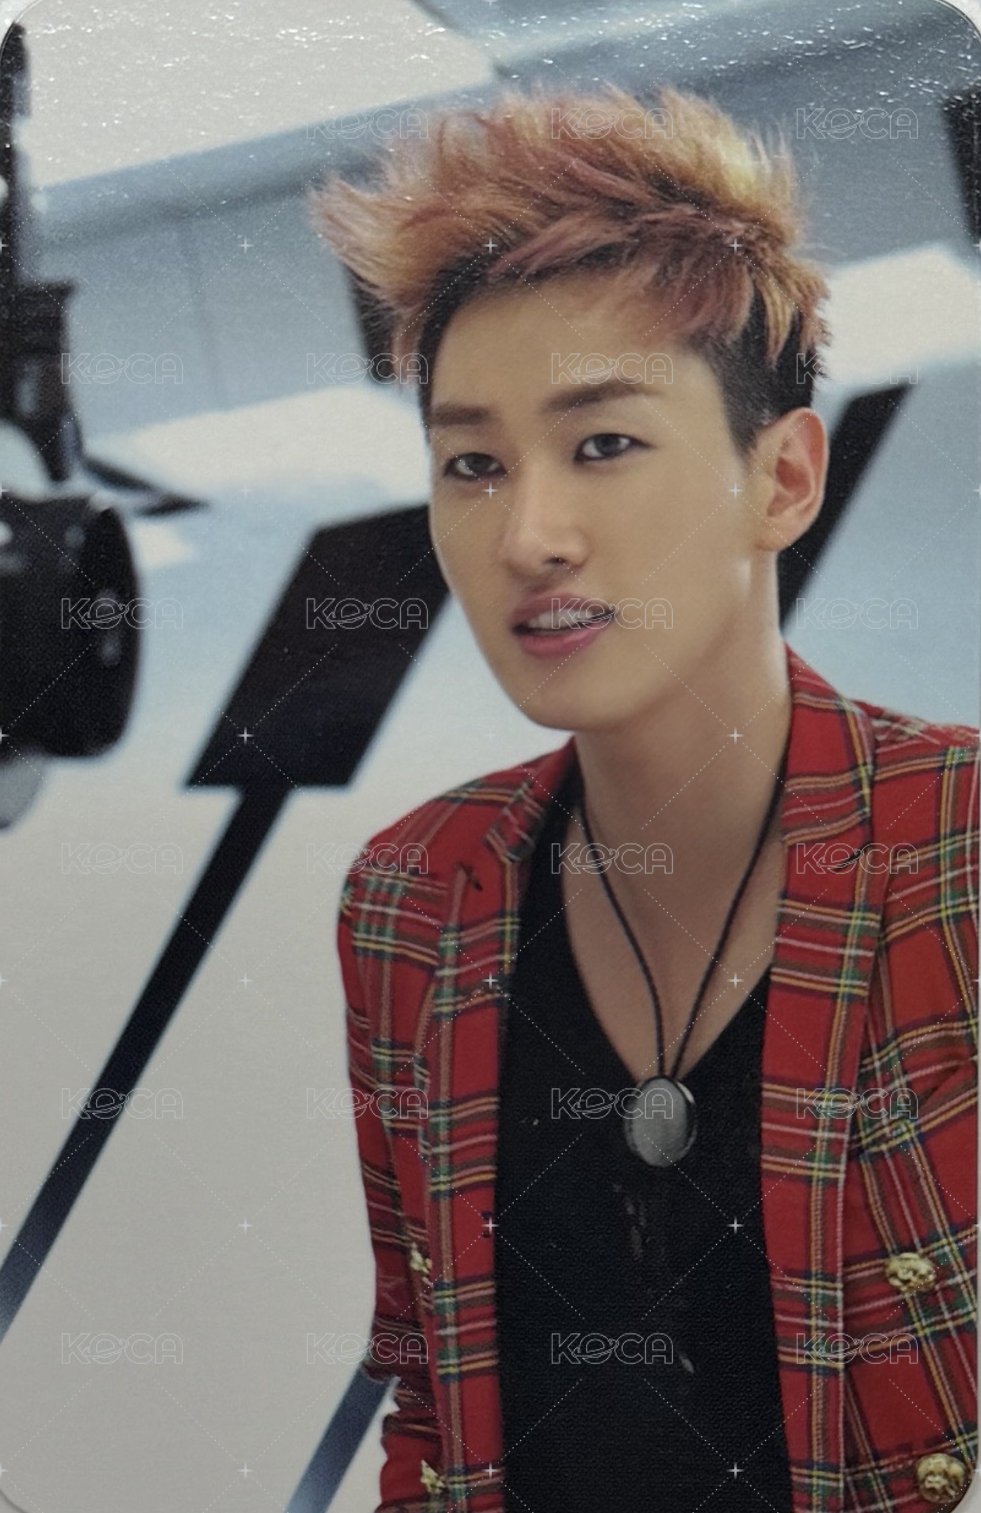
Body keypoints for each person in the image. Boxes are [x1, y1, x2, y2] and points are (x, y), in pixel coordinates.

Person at [309, 81, 978, 1513]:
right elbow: (429, 1392)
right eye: (472, 464)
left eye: (602, 443)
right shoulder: (411, 898)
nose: (529, 534)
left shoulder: (958, 844)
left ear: (781, 477)